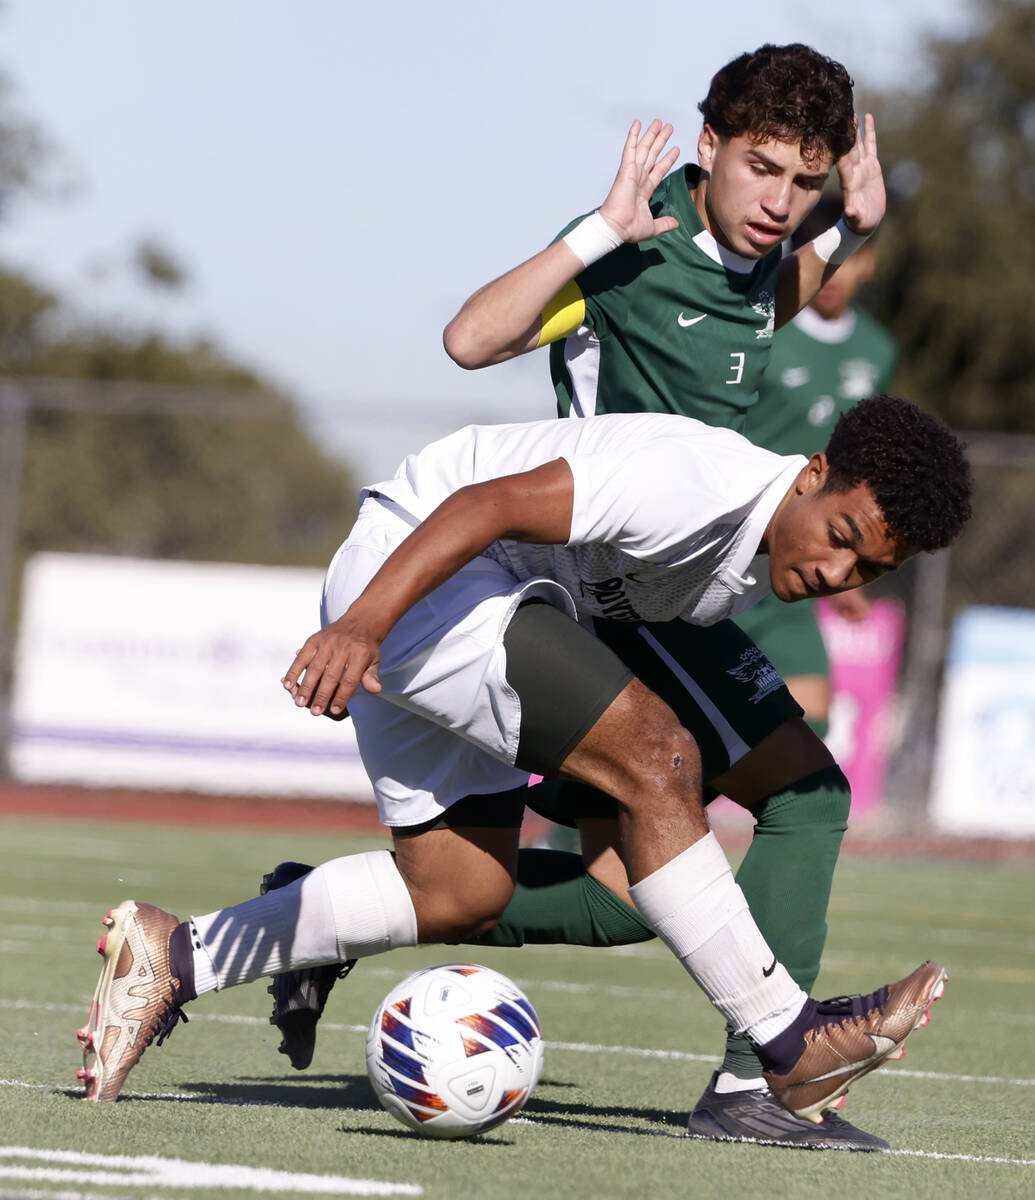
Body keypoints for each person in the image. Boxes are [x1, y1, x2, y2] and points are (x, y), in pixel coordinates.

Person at [262, 43, 908, 1151]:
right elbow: (471, 338)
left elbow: (766, 301)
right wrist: (595, 230)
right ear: (705, 145)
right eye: (762, 171)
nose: (780, 203)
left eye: (803, 183)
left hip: (695, 580)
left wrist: (854, 226)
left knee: (616, 898)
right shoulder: (639, 252)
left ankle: (317, 918)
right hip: (610, 592)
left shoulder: (761, 258)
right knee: (804, 791)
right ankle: (760, 1074)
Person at [78, 398, 969, 1116]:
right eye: (842, 536)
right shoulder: (697, 484)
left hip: (473, 595)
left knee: (460, 891)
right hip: (425, 573)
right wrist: (362, 624)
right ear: (812, 475)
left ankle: (174, 957)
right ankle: (787, 1039)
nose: (836, 571)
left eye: (866, 570)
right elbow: (487, 504)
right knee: (658, 759)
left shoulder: (758, 545)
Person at [736, 192, 899, 735]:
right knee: (665, 733)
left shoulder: (878, 351)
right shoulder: (759, 327)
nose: (833, 270)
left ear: (870, 261)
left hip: (793, 567)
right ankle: (589, 824)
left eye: (849, 256)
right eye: (818, 252)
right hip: (722, 544)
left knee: (808, 730)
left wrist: (849, 571)